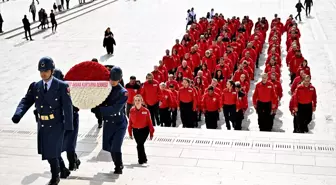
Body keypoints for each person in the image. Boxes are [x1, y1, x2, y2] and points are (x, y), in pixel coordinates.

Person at [12, 57, 73, 185]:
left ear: (52, 71)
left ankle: (55, 177)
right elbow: (26, 100)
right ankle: (63, 170)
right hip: (43, 124)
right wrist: (18, 114)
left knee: (52, 152)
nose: (43, 73)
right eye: (41, 71)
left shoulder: (61, 86)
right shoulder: (36, 86)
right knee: (49, 151)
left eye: (46, 70)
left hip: (56, 124)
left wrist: (68, 127)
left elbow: (68, 108)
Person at [98, 66, 128, 174]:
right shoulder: (106, 88)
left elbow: (115, 109)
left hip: (119, 123)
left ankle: (118, 166)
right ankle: (117, 163)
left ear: (119, 79)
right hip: (108, 123)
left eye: (115, 80)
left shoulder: (123, 92)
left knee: (116, 146)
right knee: (110, 146)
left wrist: (100, 110)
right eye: (111, 79)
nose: (112, 82)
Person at [128, 94, 154, 164]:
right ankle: (144, 159)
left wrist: (151, 133)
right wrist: (130, 132)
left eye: (139, 100)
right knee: (140, 145)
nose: (137, 102)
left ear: (142, 101)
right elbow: (130, 122)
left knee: (139, 144)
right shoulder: (132, 110)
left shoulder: (146, 111)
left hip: (144, 130)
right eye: (136, 100)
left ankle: (140, 160)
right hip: (136, 130)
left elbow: (149, 122)